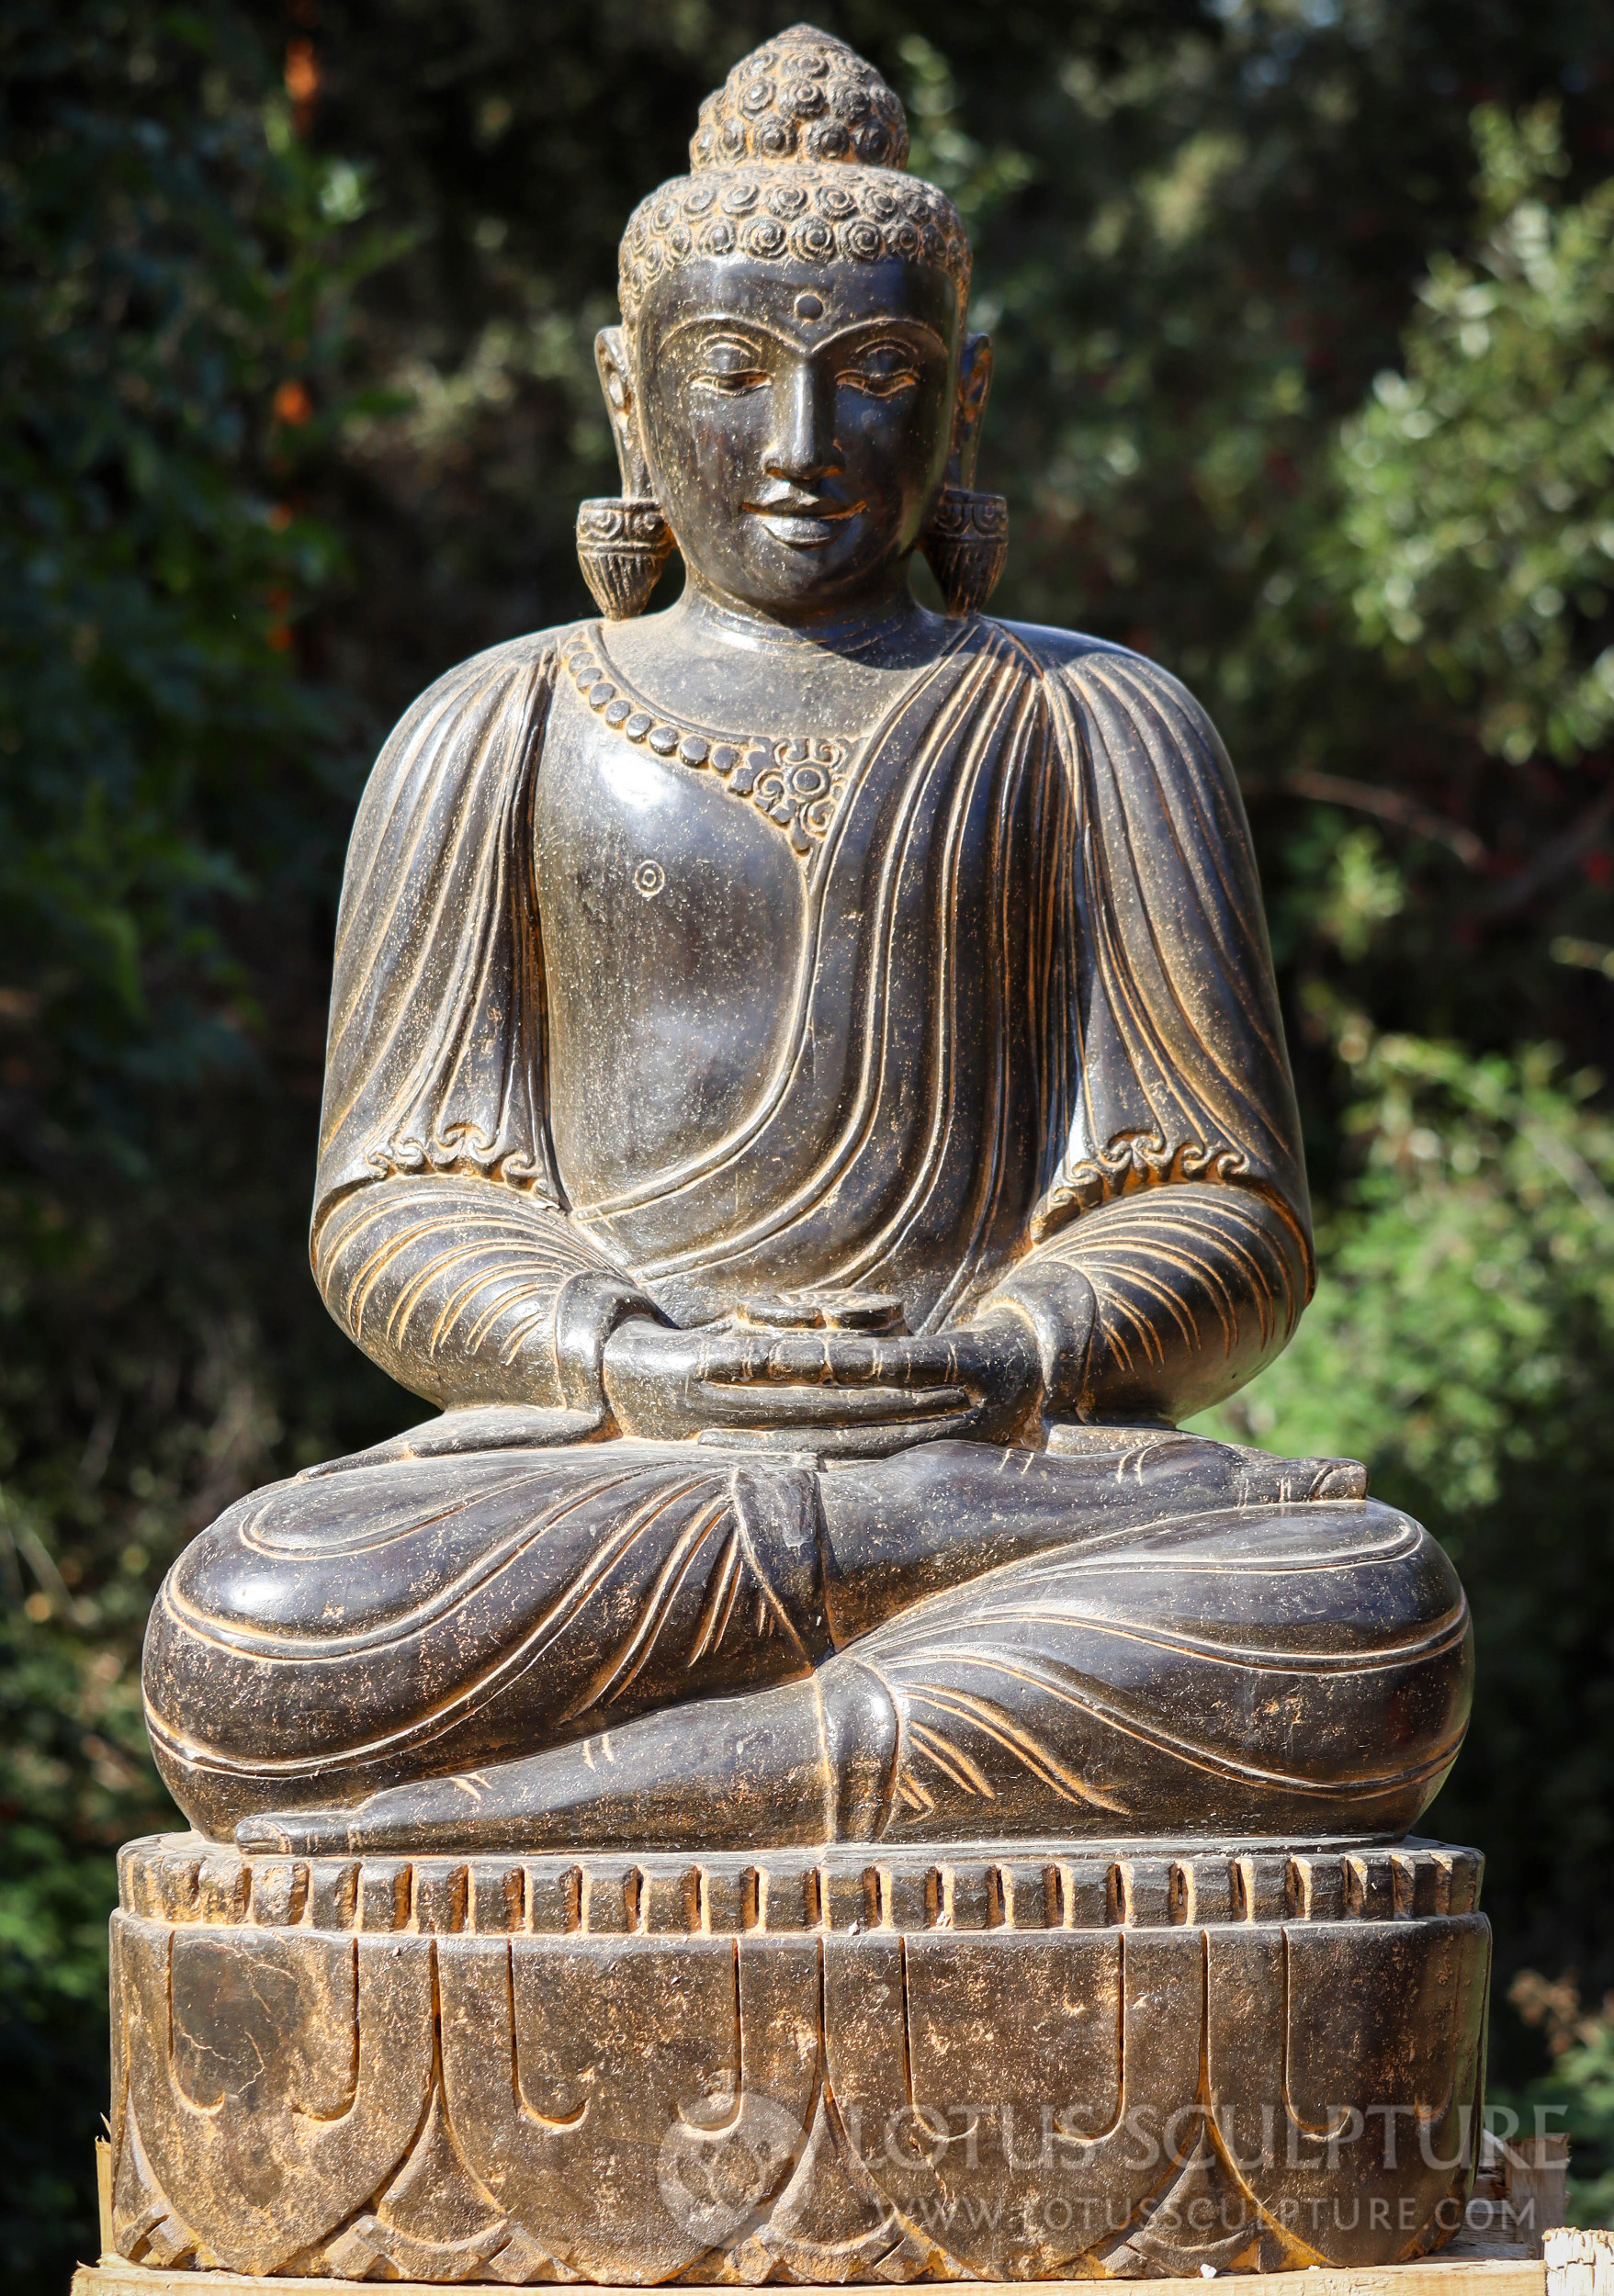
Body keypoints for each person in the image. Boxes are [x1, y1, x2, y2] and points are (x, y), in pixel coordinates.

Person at [142, 27, 1470, 1854]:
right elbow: (394, 1198)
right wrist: (624, 1358)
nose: (799, 443)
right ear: (626, 391)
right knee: (255, 1622)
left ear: (967, 397)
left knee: (1357, 1605)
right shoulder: (502, 725)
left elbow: (1220, 1202)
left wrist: (1005, 1358)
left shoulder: (1096, 725)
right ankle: (836, 1734)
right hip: (638, 1481)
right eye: (731, 370)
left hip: (976, 1456)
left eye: (876, 376)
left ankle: (596, 1795)